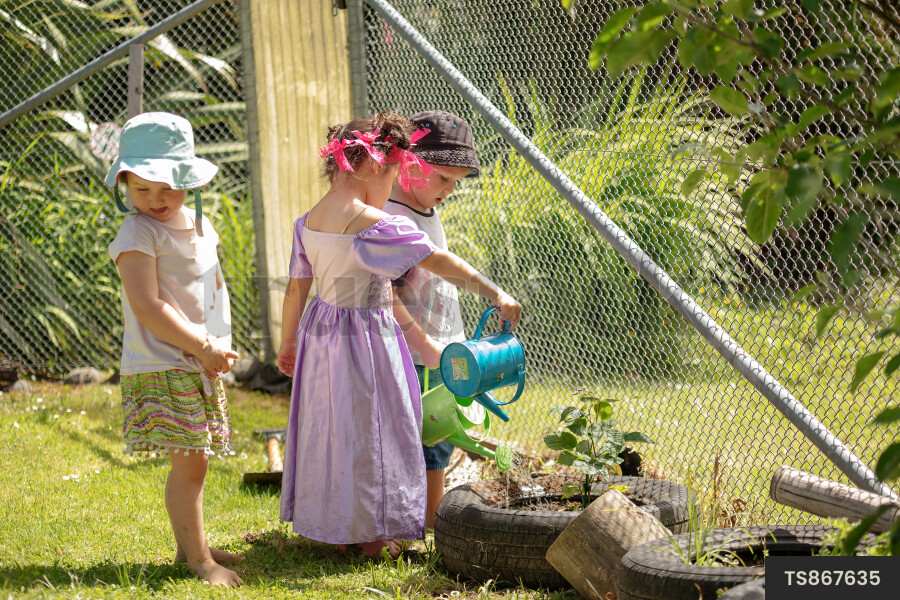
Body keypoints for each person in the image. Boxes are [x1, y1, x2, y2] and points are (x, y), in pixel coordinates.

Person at [276, 111, 521, 559]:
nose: (393, 188)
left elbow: (296, 287)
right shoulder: (373, 222)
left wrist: (288, 342)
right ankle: (373, 535)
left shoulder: (307, 220)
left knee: (331, 429)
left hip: (320, 335)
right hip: (364, 338)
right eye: (394, 175)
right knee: (377, 432)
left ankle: (334, 523)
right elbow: (438, 261)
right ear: (375, 166)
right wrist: (492, 290)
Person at [106, 112, 243, 587]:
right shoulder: (137, 234)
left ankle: (193, 543)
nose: (155, 199)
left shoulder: (202, 227)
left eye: (166, 186)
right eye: (141, 189)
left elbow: (214, 289)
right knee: (190, 463)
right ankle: (199, 562)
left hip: (197, 360)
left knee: (196, 459)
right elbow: (148, 305)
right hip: (164, 361)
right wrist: (202, 346)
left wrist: (220, 342)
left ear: (188, 179)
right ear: (124, 183)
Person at [382, 110, 480, 530]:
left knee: (436, 441)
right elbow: (385, 295)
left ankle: (427, 525)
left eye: (455, 181)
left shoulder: (425, 208)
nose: (449, 189)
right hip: (415, 352)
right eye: (443, 177)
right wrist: (425, 346)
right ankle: (422, 525)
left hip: (439, 349)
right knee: (421, 441)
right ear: (409, 162)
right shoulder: (392, 219)